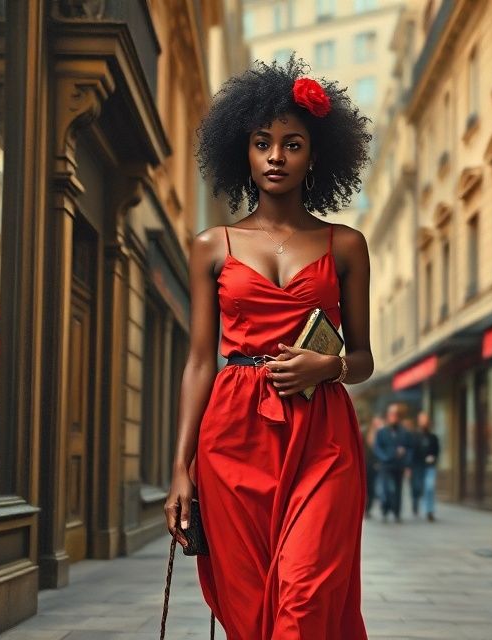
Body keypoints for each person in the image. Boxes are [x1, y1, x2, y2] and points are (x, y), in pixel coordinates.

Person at [164, 57, 372, 639]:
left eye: (292, 144)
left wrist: (327, 365)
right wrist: (181, 469)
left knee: (305, 597)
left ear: (315, 156)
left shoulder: (348, 246)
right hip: (232, 437)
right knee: (250, 606)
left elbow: (363, 359)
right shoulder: (211, 245)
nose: (276, 156)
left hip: (321, 435)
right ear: (244, 152)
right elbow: (201, 360)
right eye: (262, 143)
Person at [374, 403, 412, 523]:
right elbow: (377, 447)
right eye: (391, 415)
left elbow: (410, 447)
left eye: (395, 415)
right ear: (388, 416)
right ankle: (385, 509)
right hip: (386, 465)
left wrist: (405, 456)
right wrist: (384, 457)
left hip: (399, 465)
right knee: (386, 489)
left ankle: (397, 512)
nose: (393, 417)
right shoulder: (382, 432)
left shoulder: (404, 432)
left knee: (398, 490)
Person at [415, 411, 439, 522]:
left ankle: (429, 511)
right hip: (419, 466)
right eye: (422, 420)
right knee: (420, 489)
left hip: (430, 467)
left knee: (429, 488)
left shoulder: (433, 437)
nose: (424, 423)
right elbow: (413, 451)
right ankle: (418, 506)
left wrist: (433, 457)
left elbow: (437, 451)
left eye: (425, 420)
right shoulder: (415, 436)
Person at [363, 415, 383, 518]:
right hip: (364, 463)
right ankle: (364, 508)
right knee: (364, 488)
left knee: (372, 488)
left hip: (375, 464)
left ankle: (368, 509)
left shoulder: (382, 434)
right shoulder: (364, 432)